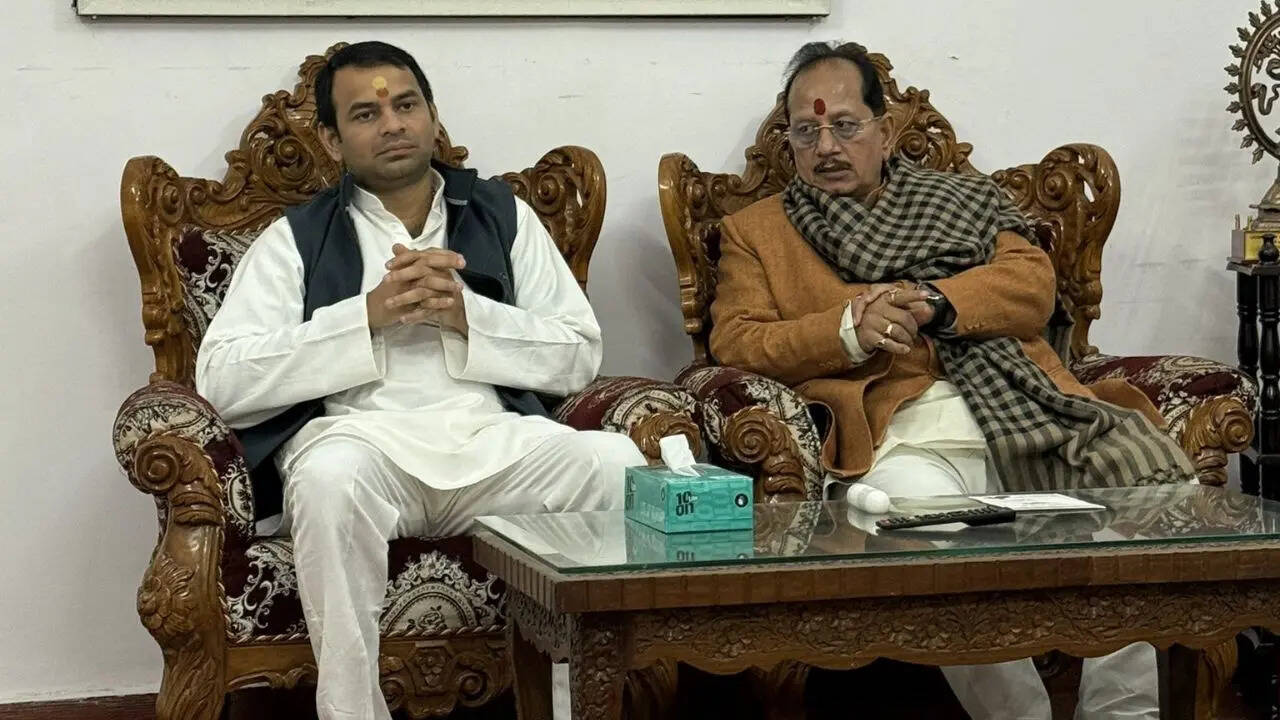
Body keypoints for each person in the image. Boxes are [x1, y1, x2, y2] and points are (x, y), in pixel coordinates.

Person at [709, 40, 1195, 719]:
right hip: (904, 438)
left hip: (1030, 418)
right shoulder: (757, 232)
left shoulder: (964, 200)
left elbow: (1031, 285)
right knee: (919, 533)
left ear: (885, 131)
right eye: (806, 131)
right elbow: (738, 339)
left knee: (1136, 526)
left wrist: (938, 301)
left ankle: (1122, 715)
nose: (826, 146)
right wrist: (847, 330)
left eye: (844, 125)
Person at [195, 41, 644, 720]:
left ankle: (576, 707)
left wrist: (468, 316)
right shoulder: (296, 238)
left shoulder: (503, 215)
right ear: (331, 139)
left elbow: (579, 353)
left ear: (433, 115)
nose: (393, 124)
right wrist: (367, 317)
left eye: (406, 105)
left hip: (495, 448)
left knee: (616, 465)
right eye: (366, 114)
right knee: (326, 480)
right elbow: (222, 379)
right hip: (364, 446)